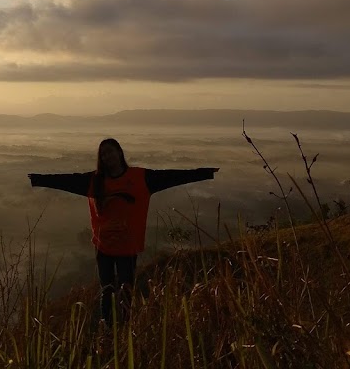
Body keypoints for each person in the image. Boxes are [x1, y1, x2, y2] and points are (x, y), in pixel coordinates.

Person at [28, 138, 218, 325]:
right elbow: (68, 181)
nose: (107, 156)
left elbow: (172, 177)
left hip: (127, 248)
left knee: (126, 290)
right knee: (107, 290)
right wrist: (38, 179)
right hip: (104, 248)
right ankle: (108, 331)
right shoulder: (95, 181)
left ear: (119, 152)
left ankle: (126, 329)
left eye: (110, 151)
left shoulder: (140, 178)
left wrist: (205, 173)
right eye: (103, 154)